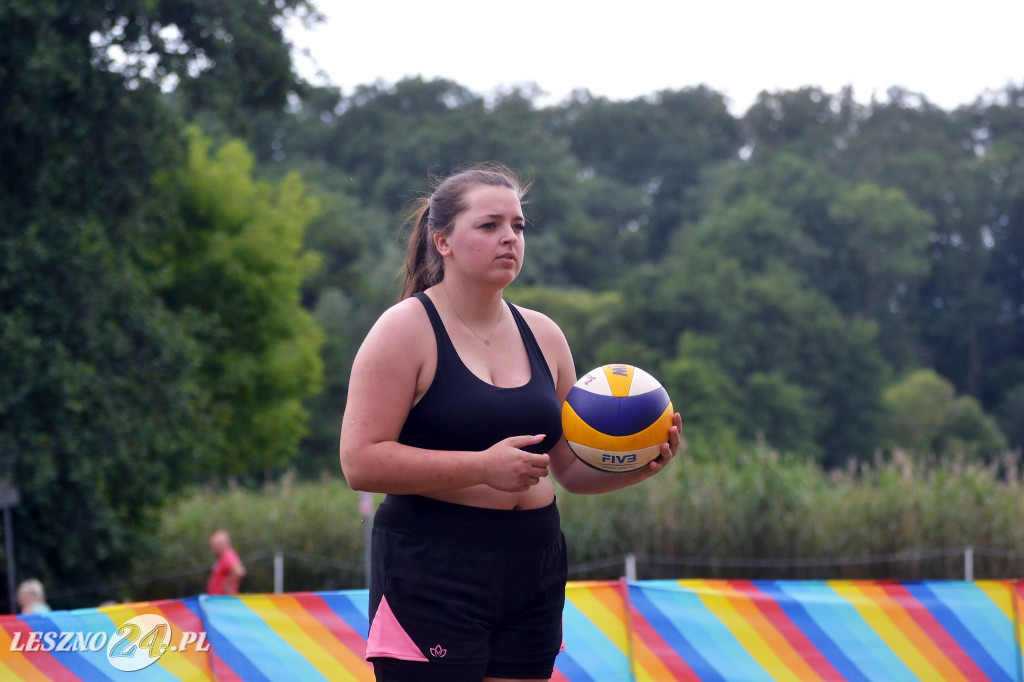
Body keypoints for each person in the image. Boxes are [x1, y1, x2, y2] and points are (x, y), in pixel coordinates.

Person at [339, 162, 683, 682]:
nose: (510, 239)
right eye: (490, 225)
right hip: (434, 566)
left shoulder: (544, 334)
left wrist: (639, 466)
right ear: (443, 241)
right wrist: (481, 467)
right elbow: (360, 462)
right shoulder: (404, 329)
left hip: (534, 561)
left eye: (518, 227)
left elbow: (567, 468)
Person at [206, 529, 246, 595]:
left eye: (215, 545)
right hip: (217, 599)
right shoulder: (222, 557)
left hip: (224, 601)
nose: (213, 548)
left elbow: (239, 571)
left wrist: (227, 585)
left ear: (223, 544)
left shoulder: (228, 555)